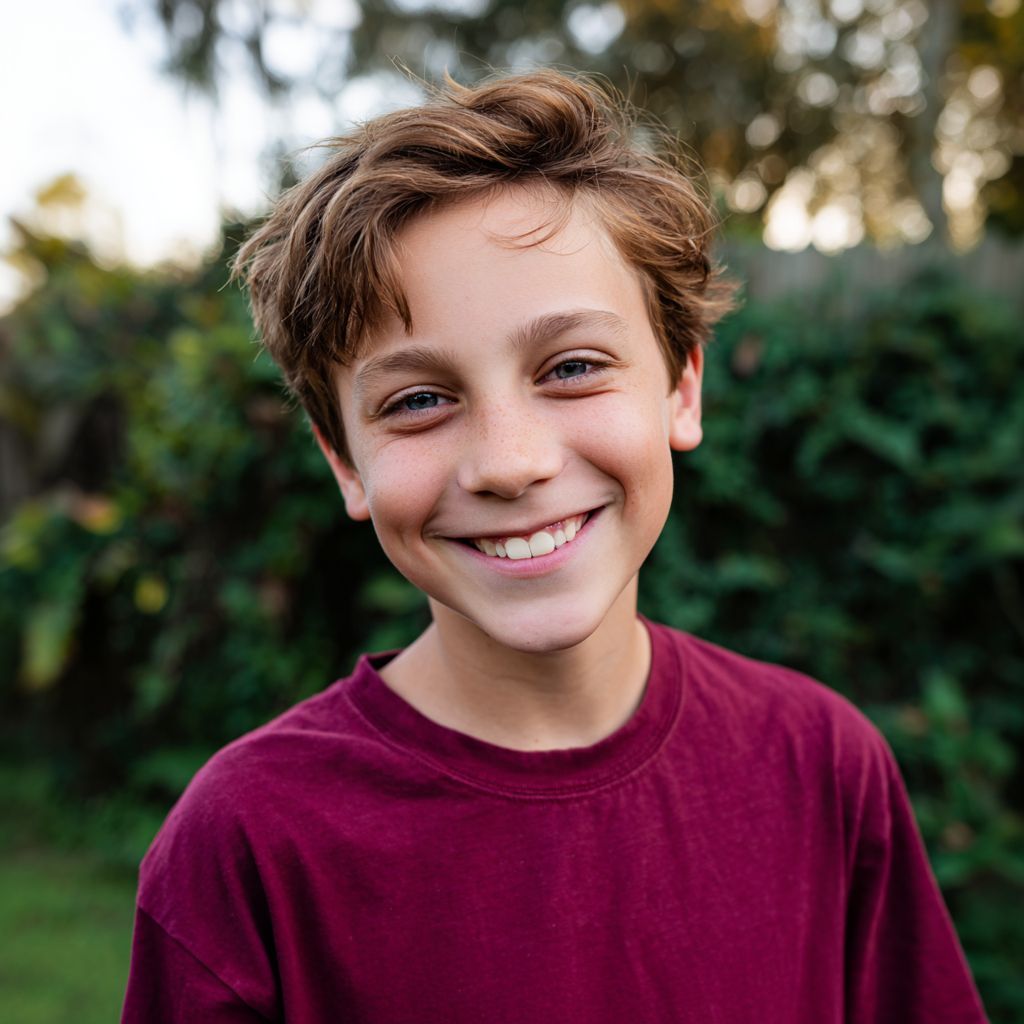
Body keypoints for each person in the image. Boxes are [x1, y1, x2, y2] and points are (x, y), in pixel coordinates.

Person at [122, 69, 988, 1022]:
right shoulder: (248, 846)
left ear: (682, 389)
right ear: (345, 462)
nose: (510, 462)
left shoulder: (822, 766)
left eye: (572, 367)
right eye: (418, 401)